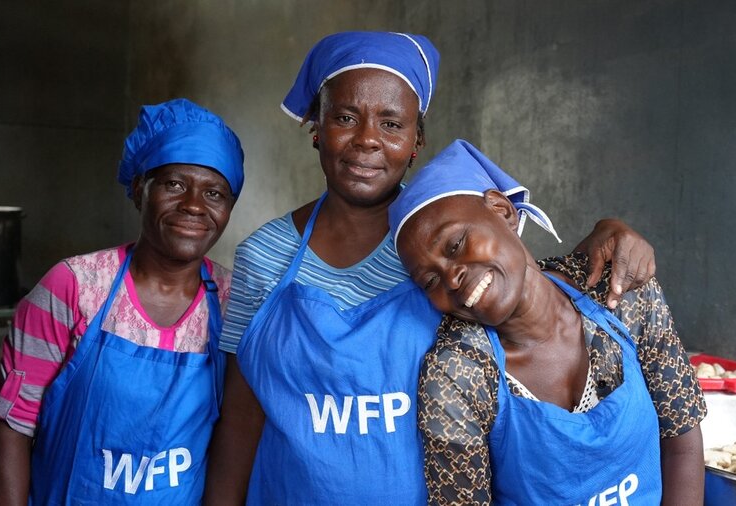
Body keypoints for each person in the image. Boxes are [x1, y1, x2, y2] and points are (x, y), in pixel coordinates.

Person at [204, 31, 658, 504]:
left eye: (392, 124)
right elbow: (241, 420)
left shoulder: (441, 250)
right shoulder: (264, 258)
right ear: (316, 125)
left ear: (416, 140)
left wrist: (610, 232)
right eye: (344, 117)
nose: (367, 141)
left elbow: (523, 289)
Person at [388, 139, 706, 506]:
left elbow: (681, 437)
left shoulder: (618, 289)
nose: (452, 278)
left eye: (456, 245)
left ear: (501, 210)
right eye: (430, 280)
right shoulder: (458, 373)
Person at [0, 98, 245, 505]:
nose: (194, 205)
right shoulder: (73, 287)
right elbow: (11, 429)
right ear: (140, 189)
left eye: (214, 193)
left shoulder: (234, 303)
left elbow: (236, 440)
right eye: (174, 184)